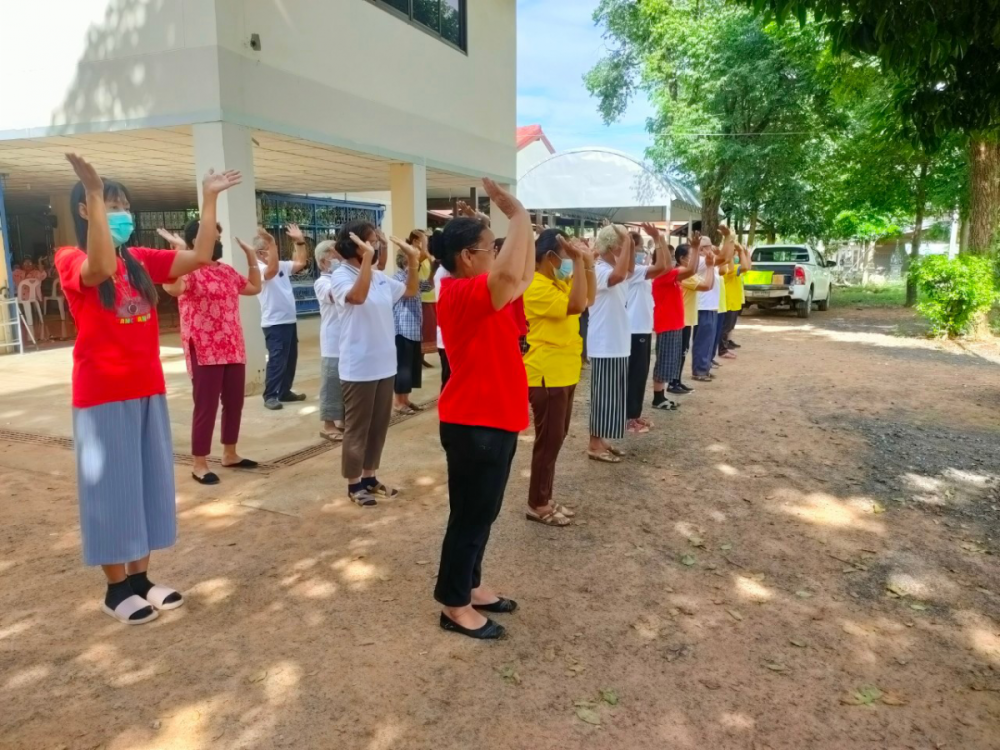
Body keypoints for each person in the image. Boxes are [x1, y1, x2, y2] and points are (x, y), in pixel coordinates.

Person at [55, 153, 240, 624]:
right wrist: (94, 193)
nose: (122, 213)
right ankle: (116, 589)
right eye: (110, 204)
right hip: (102, 395)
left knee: (146, 487)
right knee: (110, 492)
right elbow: (97, 269)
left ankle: (140, 580)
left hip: (147, 389)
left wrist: (210, 198)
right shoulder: (71, 258)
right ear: (86, 210)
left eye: (122, 204)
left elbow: (198, 256)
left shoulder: (138, 260)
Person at [432, 178, 534, 640]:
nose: (496, 253)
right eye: (490, 247)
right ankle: (453, 603)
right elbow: (510, 278)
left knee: (483, 512)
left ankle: (470, 585)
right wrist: (517, 218)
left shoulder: (487, 292)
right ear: (468, 257)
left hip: (495, 418)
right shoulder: (459, 293)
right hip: (475, 422)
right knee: (470, 515)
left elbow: (522, 276)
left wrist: (521, 226)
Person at [161, 221, 263, 485]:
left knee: (234, 402)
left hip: (232, 346)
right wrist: (179, 253)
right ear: (196, 241)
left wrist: (251, 256)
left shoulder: (226, 271)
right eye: (212, 237)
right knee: (206, 406)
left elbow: (254, 288)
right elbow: (172, 287)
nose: (217, 242)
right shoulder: (189, 272)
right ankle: (200, 462)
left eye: (218, 237)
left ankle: (230, 453)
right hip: (204, 347)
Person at [331, 222, 420, 507]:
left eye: (377, 241)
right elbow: (356, 297)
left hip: (385, 363)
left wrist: (414, 261)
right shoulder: (340, 276)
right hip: (359, 365)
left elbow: (409, 291)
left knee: (379, 425)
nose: (376, 245)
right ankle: (354, 483)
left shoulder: (380, 278)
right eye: (370, 241)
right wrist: (369, 260)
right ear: (353, 245)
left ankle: (370, 477)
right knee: (358, 427)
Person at [523, 229, 596, 527]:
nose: (568, 261)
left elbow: (588, 297)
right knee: (548, 441)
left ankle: (545, 497)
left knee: (557, 437)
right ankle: (537, 503)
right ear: (549, 257)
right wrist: (579, 264)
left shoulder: (558, 282)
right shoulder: (536, 286)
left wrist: (586, 263)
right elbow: (577, 306)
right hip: (546, 374)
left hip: (564, 370)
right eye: (565, 256)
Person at [586, 224, 635, 463]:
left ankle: (602, 438)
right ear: (612, 245)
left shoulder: (616, 266)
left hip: (617, 341)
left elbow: (629, 268)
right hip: (605, 342)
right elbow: (617, 277)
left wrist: (630, 243)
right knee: (603, 395)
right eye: (621, 243)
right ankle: (594, 444)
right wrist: (626, 244)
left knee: (613, 395)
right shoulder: (599, 269)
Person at [256, 223, 309, 410]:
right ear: (261, 253)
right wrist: (272, 244)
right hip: (274, 322)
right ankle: (270, 395)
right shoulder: (258, 268)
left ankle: (284, 391)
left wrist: (300, 242)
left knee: (290, 358)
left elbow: (301, 263)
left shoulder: (281, 266)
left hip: (289, 320)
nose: (274, 252)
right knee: (277, 359)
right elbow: (270, 273)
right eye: (270, 248)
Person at [625, 227, 670, 433]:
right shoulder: (631, 271)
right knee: (634, 374)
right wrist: (657, 238)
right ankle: (629, 418)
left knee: (639, 373)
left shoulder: (637, 270)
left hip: (640, 328)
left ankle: (633, 414)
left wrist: (658, 240)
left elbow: (666, 266)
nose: (642, 252)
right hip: (634, 329)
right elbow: (663, 266)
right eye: (639, 248)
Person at [651, 241, 699, 408]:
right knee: (665, 361)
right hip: (667, 323)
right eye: (667, 257)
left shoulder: (669, 274)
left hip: (674, 323)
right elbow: (692, 270)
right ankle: (658, 398)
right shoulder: (665, 274)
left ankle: (661, 396)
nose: (671, 260)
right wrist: (696, 249)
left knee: (670, 360)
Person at [392, 229, 433, 414]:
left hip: (413, 328)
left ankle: (405, 399)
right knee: (403, 366)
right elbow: (410, 291)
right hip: (402, 329)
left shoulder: (413, 278)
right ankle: (398, 402)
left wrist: (434, 267)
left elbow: (428, 285)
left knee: (411, 366)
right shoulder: (399, 278)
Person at [313, 240, 345, 442]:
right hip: (332, 341)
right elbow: (335, 295)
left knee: (346, 383)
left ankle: (343, 420)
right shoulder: (322, 282)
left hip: (347, 339)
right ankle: (328, 424)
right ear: (323, 262)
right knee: (331, 384)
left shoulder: (342, 278)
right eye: (334, 257)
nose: (338, 261)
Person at [691, 237, 721, 382]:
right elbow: (724, 258)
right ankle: (700, 370)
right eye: (708, 246)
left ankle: (704, 367)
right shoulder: (702, 262)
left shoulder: (708, 262)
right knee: (703, 339)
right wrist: (729, 239)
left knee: (708, 339)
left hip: (710, 305)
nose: (711, 248)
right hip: (704, 306)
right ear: (701, 249)